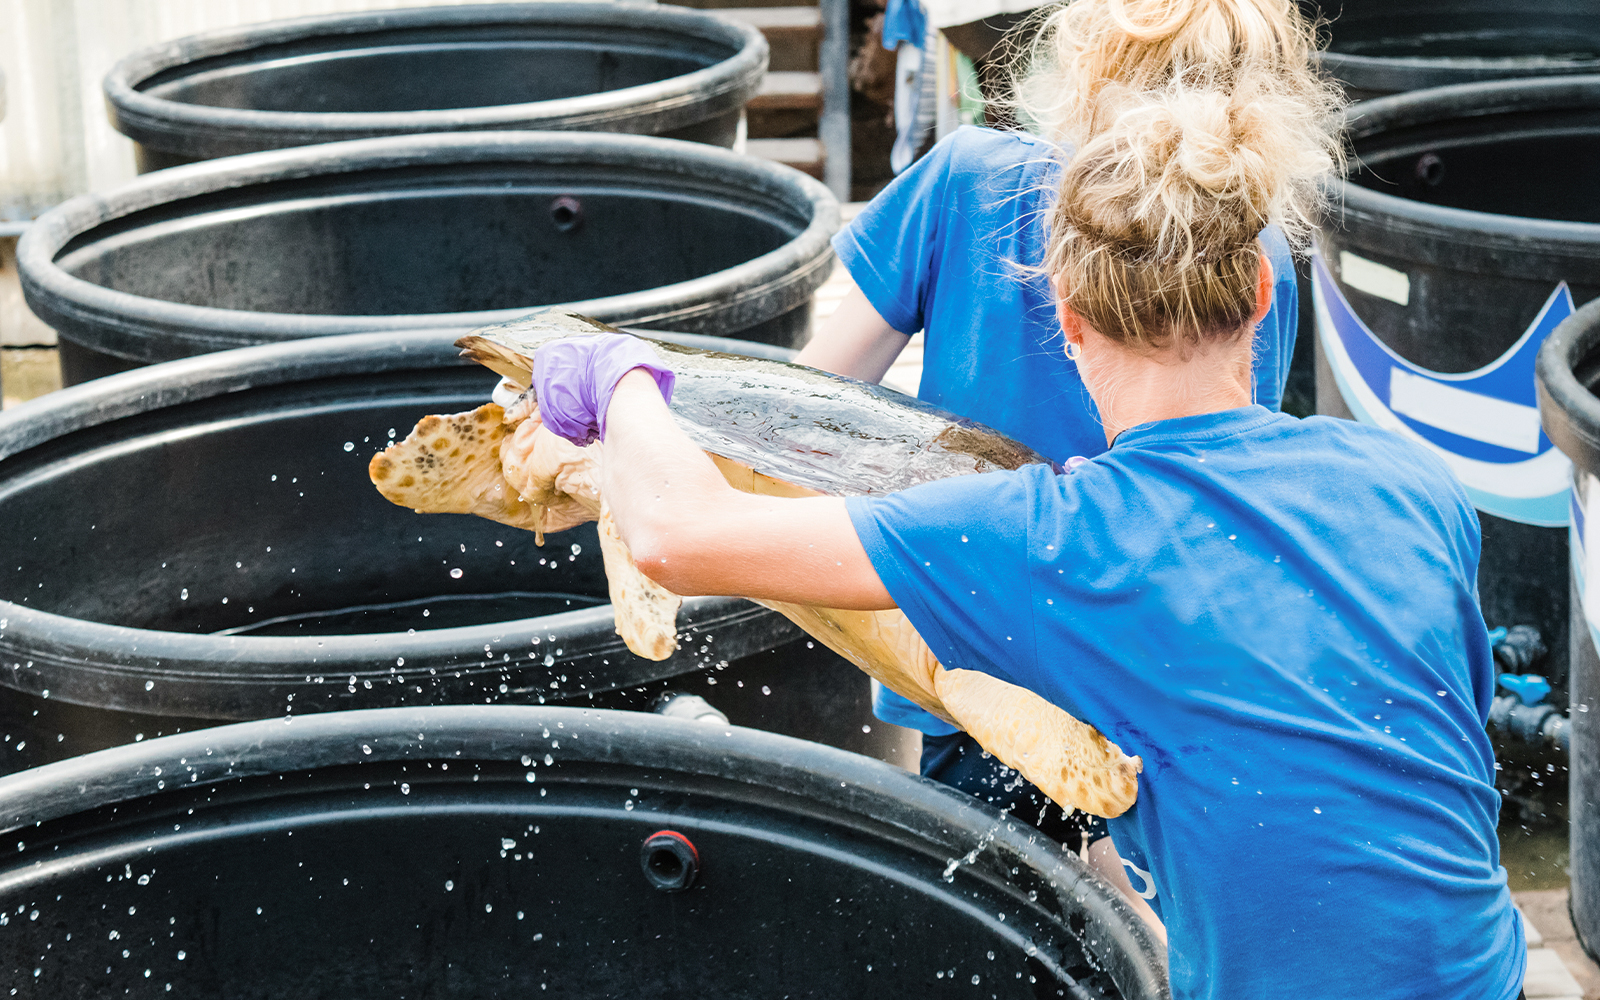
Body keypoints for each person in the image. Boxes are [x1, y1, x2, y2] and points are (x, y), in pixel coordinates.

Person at [503, 33, 1526, 1000]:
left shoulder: (1054, 537)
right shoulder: (1411, 485)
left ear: (1068, 317)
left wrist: (619, 374)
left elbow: (684, 538)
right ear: (1262, 291)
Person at [794, 0, 1304, 910]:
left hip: (965, 639)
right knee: (1138, 925)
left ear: (1081, 71)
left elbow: (812, 405)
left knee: (999, 918)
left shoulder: (967, 181)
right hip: (1149, 666)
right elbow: (1223, 481)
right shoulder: (1253, 252)